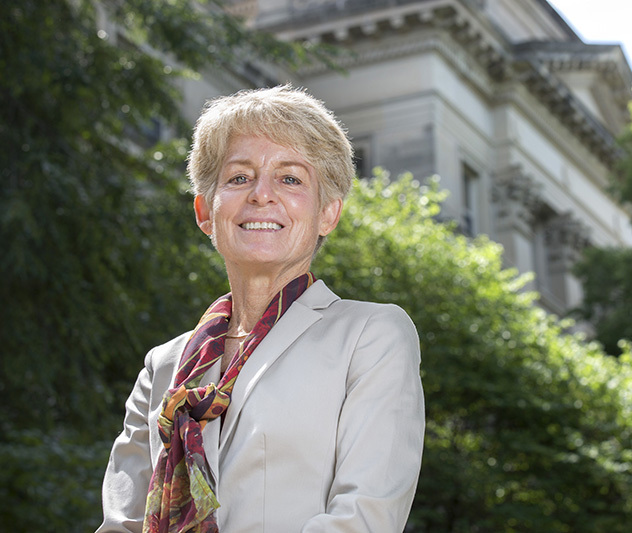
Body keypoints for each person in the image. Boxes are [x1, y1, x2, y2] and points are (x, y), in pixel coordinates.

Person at [96, 85, 425, 532]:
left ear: (328, 213)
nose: (261, 194)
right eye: (238, 177)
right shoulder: (163, 366)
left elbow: (364, 518)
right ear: (205, 212)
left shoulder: (372, 335)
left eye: (290, 178)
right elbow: (121, 524)